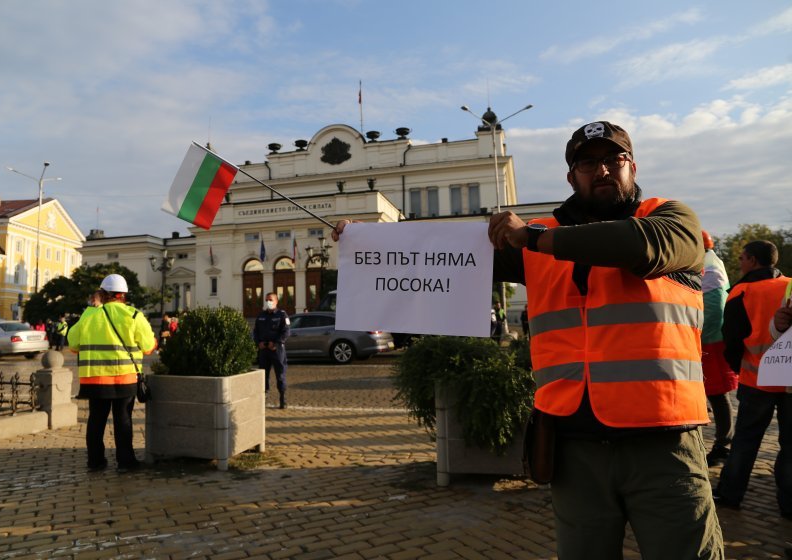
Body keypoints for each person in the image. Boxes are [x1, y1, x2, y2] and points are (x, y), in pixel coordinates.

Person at [332, 121, 723, 558]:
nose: (603, 170)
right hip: (573, 448)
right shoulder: (538, 235)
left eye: (614, 160)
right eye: (588, 163)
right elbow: (447, 257)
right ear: (571, 176)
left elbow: (640, 246)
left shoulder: (670, 220)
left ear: (632, 165)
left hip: (663, 444)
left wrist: (534, 237)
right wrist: (367, 239)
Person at [715, 240, 792, 518]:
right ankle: (789, 504)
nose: (741, 263)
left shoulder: (742, 291)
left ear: (753, 260)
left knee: (746, 441)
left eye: (742, 258)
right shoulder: (790, 285)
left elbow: (732, 339)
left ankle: (731, 495)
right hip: (790, 380)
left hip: (755, 378)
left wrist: (739, 367)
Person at [67, 274, 156, 472]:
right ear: (123, 295)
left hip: (94, 378)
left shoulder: (89, 315)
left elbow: (73, 345)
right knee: (123, 419)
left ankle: (95, 462)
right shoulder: (134, 315)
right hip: (125, 378)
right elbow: (149, 347)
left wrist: (91, 309)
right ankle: (126, 463)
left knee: (96, 420)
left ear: (102, 294)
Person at [700, 230, 738, 467]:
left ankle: (723, 444)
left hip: (709, 340)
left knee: (717, 392)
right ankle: (722, 442)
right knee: (714, 392)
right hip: (710, 338)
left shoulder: (708, 265)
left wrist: (696, 335)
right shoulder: (712, 262)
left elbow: (713, 308)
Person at [253, 292, 290, 409]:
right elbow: (255, 332)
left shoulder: (282, 315)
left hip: (277, 350)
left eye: (270, 300)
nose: (268, 302)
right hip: (264, 351)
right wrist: (258, 342)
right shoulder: (261, 316)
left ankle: (282, 398)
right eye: (266, 300)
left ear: (276, 301)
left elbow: (286, 331)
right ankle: (263, 397)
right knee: (263, 375)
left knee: (280, 374)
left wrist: (276, 343)